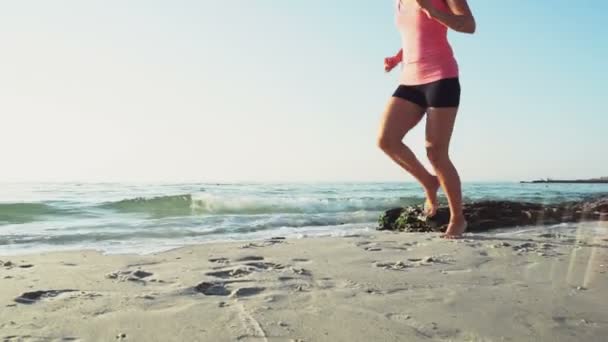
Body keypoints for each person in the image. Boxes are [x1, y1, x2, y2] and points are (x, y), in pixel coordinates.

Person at [378, 0, 476, 238]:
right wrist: (398, 57)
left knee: (435, 151)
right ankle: (429, 183)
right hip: (410, 79)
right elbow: (417, 33)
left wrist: (432, 10)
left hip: (441, 77)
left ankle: (457, 218)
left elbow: (469, 25)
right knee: (386, 140)